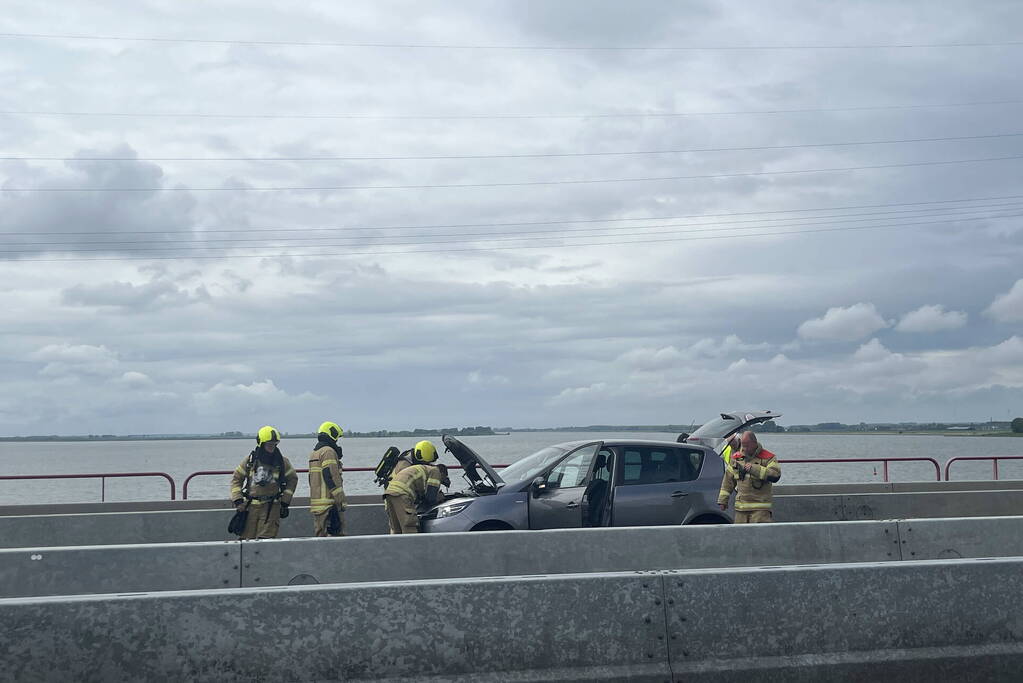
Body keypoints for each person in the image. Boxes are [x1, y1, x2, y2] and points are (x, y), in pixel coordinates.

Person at [230, 425, 298, 540]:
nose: (272, 448)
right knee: (247, 540)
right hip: (250, 508)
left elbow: (293, 479)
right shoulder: (250, 461)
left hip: (271, 509)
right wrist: (238, 500)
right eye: (269, 445)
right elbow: (236, 479)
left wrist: (285, 502)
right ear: (261, 444)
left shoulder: (282, 462)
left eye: (274, 444)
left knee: (265, 541)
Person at [717, 431, 781, 523]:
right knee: (740, 532)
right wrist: (723, 500)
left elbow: (775, 475)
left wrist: (754, 469)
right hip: (741, 509)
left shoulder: (768, 457)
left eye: (747, 446)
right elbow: (728, 481)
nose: (744, 449)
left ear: (754, 443)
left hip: (760, 509)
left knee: (759, 532)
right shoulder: (737, 458)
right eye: (743, 446)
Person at [383, 461, 449, 534]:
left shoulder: (424, 470)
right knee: (409, 525)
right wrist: (439, 498)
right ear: (442, 473)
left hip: (389, 494)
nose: (440, 481)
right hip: (402, 494)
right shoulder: (436, 471)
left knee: (397, 528)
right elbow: (430, 498)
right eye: (442, 479)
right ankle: (412, 541)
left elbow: (421, 494)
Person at [308, 421, 346, 537]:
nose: (337, 442)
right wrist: (340, 499)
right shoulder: (328, 452)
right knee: (335, 538)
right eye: (337, 438)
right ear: (332, 435)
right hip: (330, 504)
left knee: (321, 537)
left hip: (317, 504)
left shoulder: (315, 453)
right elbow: (331, 476)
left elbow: (311, 479)